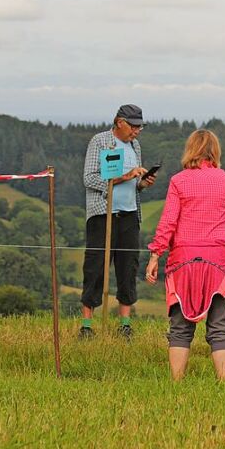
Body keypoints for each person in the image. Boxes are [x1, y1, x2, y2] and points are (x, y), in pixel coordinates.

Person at [145, 129, 225, 381]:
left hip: (183, 262)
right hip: (220, 263)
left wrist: (155, 255)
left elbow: (168, 222)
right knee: (220, 326)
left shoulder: (179, 181)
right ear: (215, 151)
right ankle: (223, 384)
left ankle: (176, 383)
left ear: (190, 150)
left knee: (180, 327)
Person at [80, 103, 156, 339]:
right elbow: (89, 178)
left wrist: (142, 184)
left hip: (129, 213)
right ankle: (87, 326)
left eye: (140, 127)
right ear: (119, 122)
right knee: (95, 267)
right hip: (103, 214)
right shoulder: (100, 141)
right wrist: (123, 178)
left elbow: (134, 185)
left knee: (128, 267)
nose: (136, 131)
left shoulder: (135, 145)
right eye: (133, 126)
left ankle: (125, 324)